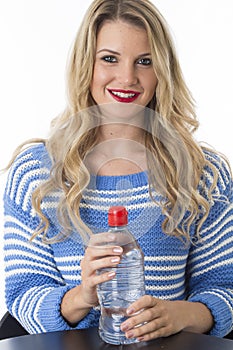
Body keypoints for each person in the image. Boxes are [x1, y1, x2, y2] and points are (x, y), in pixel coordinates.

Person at [2, 0, 233, 342]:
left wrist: (179, 314)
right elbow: (24, 294)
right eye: (109, 58)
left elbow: (224, 288)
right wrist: (83, 296)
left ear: (162, 72)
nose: (127, 78)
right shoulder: (37, 173)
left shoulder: (203, 174)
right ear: (86, 66)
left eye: (145, 61)